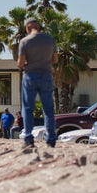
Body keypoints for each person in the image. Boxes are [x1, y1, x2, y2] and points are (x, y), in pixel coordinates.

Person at [18, 17, 58, 150]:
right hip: (46, 74)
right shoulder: (49, 39)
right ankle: (51, 138)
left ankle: (29, 137)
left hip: (30, 75)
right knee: (48, 109)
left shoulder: (25, 41)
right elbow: (55, 59)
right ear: (38, 26)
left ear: (28, 27)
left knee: (28, 108)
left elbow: (20, 63)